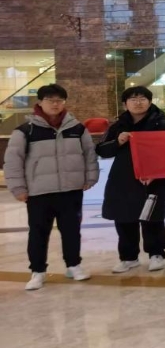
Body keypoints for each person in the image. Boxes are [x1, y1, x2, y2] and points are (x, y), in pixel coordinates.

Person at [3, 84, 99, 291]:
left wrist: (91, 177)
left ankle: (73, 265)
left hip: (71, 190)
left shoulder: (77, 129)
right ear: (40, 102)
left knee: (72, 231)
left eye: (59, 100)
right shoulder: (26, 130)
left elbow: (89, 155)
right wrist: (18, 188)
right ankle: (38, 271)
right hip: (39, 192)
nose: (55, 104)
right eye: (50, 100)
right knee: (38, 232)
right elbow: (12, 161)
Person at [96, 86, 165, 273]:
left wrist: (155, 173)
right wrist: (118, 142)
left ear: (150, 101)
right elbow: (102, 150)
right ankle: (129, 257)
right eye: (133, 99)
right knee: (124, 217)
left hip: (153, 179)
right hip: (123, 178)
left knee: (152, 217)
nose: (138, 103)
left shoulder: (162, 124)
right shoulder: (118, 126)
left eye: (142, 99)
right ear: (125, 104)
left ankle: (156, 254)